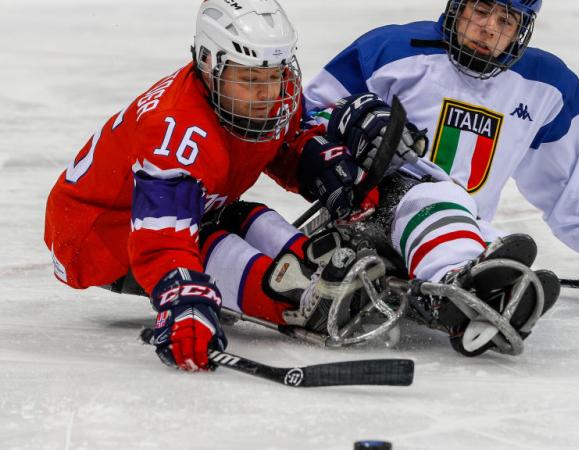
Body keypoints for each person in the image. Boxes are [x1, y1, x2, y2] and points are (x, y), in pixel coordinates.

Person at [303, 0, 579, 353]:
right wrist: (345, 120)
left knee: (497, 245)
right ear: (457, 6)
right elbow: (300, 121)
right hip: (367, 216)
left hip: (453, 227)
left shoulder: (549, 87)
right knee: (434, 200)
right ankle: (455, 285)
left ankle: (476, 278)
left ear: (522, 31)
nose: (488, 29)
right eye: (480, 10)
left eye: (506, 21)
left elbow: (573, 183)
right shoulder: (390, 51)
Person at [44, 0, 378, 371]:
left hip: (188, 204)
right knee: (212, 244)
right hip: (99, 236)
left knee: (251, 218)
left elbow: (287, 141)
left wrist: (325, 168)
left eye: (275, 74)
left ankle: (319, 269)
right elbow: (163, 240)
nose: (268, 94)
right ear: (208, 63)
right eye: (251, 79)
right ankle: (293, 300)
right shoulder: (176, 132)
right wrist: (184, 301)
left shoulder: (252, 93)